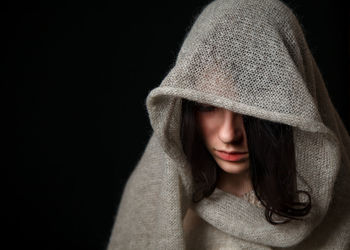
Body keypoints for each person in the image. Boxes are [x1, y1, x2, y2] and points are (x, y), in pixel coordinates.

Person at [107, 0, 350, 249]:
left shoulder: (341, 209)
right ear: (186, 107)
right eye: (207, 107)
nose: (228, 134)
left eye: (251, 113)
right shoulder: (153, 205)